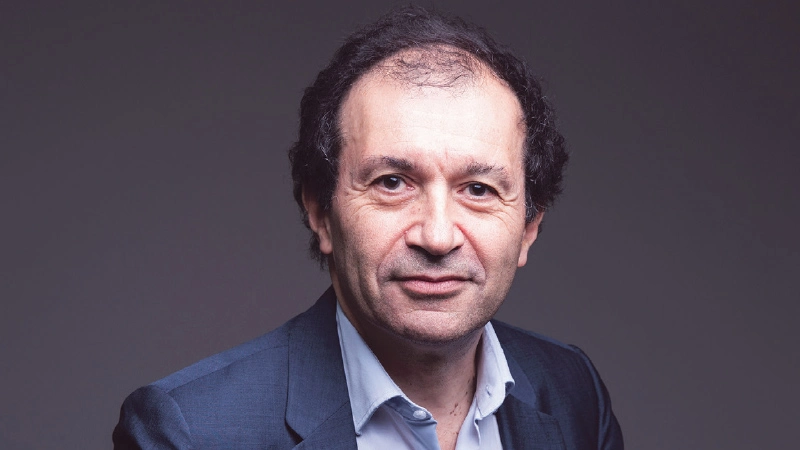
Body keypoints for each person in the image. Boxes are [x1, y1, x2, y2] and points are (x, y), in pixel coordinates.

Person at [113, 6, 623, 450]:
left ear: (529, 227)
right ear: (320, 212)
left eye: (478, 189)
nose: (437, 237)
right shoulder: (192, 432)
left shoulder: (573, 391)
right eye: (392, 182)